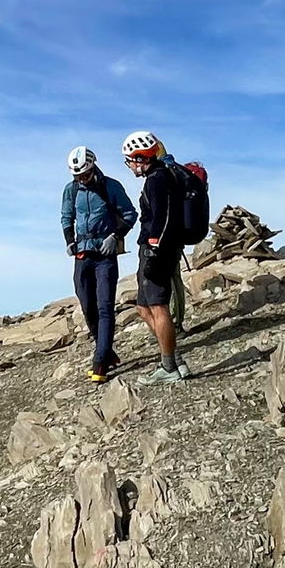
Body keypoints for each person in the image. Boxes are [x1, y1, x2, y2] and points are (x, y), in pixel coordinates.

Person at [61, 145, 137, 383]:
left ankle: (100, 363)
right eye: (76, 176)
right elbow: (66, 216)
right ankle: (107, 352)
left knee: (105, 307)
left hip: (105, 256)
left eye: (84, 174)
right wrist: (69, 241)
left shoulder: (110, 186)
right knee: (87, 307)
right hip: (82, 255)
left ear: (93, 167)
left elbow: (130, 214)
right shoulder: (71, 190)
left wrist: (115, 236)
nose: (81, 179)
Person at [122, 131, 189, 382]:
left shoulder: (157, 180)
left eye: (129, 160)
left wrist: (153, 248)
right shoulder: (163, 176)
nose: (129, 165)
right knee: (142, 307)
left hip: (158, 250)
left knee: (158, 306)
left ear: (140, 158)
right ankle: (171, 355)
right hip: (163, 248)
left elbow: (161, 218)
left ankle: (169, 367)